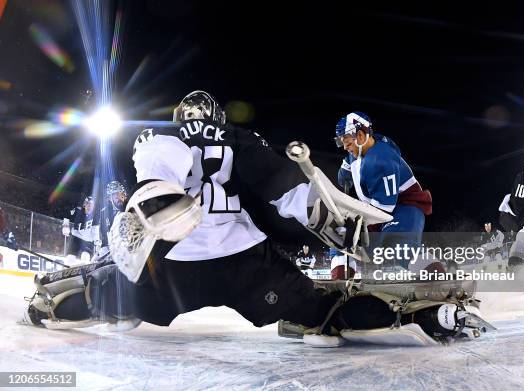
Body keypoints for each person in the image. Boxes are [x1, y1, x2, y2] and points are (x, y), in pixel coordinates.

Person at [24, 91, 490, 347]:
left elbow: (156, 172)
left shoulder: (161, 134)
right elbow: (281, 186)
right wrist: (317, 208)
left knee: (113, 294)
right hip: (243, 258)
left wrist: (153, 204)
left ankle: (54, 301)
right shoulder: (237, 136)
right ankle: (425, 314)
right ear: (217, 116)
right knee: (319, 312)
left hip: (176, 261)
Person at [335, 111, 432, 269]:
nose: (345, 146)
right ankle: (340, 278)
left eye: (346, 141)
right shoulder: (363, 146)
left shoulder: (380, 161)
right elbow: (350, 159)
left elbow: (383, 209)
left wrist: (358, 225)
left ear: (360, 135)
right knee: (340, 239)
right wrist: (346, 168)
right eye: (342, 141)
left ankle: (439, 276)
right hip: (377, 208)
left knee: (398, 246)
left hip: (403, 206)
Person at [96, 180, 129, 260]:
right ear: (109, 198)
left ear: (124, 194)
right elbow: (104, 238)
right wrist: (102, 252)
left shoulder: (130, 206)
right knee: (95, 261)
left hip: (128, 251)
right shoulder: (104, 212)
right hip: (111, 251)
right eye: (114, 195)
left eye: (120, 193)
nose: (118, 197)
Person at [65, 195, 101, 264]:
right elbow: (67, 214)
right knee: (70, 258)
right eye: (87, 204)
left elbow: (95, 231)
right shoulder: (77, 211)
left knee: (85, 256)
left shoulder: (95, 216)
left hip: (88, 241)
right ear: (84, 204)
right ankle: (67, 269)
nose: (89, 206)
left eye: (91, 205)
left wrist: (97, 243)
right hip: (75, 238)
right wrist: (65, 225)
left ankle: (84, 272)